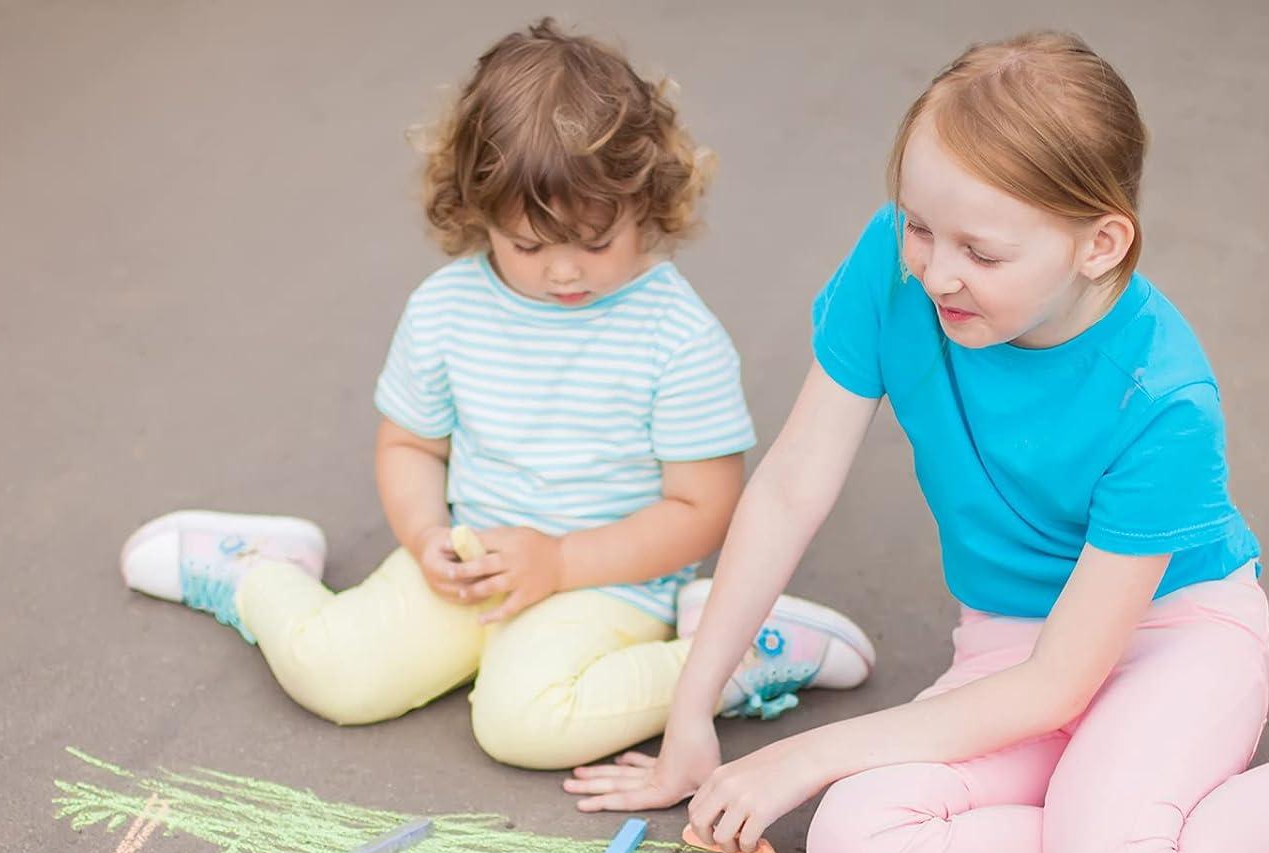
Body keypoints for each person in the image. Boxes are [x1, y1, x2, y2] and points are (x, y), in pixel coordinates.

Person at [565, 30, 1269, 853]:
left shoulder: (1164, 396)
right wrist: (694, 709)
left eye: (980, 251)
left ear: (1100, 244)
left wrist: (808, 751)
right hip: (1010, 642)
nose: (936, 270)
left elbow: (1063, 685)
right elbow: (789, 488)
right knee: (856, 851)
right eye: (919, 227)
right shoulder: (895, 268)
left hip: (1171, 639)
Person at [118, 18, 874, 771]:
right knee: (335, 674)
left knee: (522, 724)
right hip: (475, 559)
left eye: (596, 241)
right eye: (530, 246)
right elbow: (411, 445)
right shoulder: (447, 309)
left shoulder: (675, 335)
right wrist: (424, 538)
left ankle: (743, 652)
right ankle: (256, 570)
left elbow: (702, 508)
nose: (564, 272)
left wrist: (562, 563)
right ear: (479, 216)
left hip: (609, 579)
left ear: (648, 200)